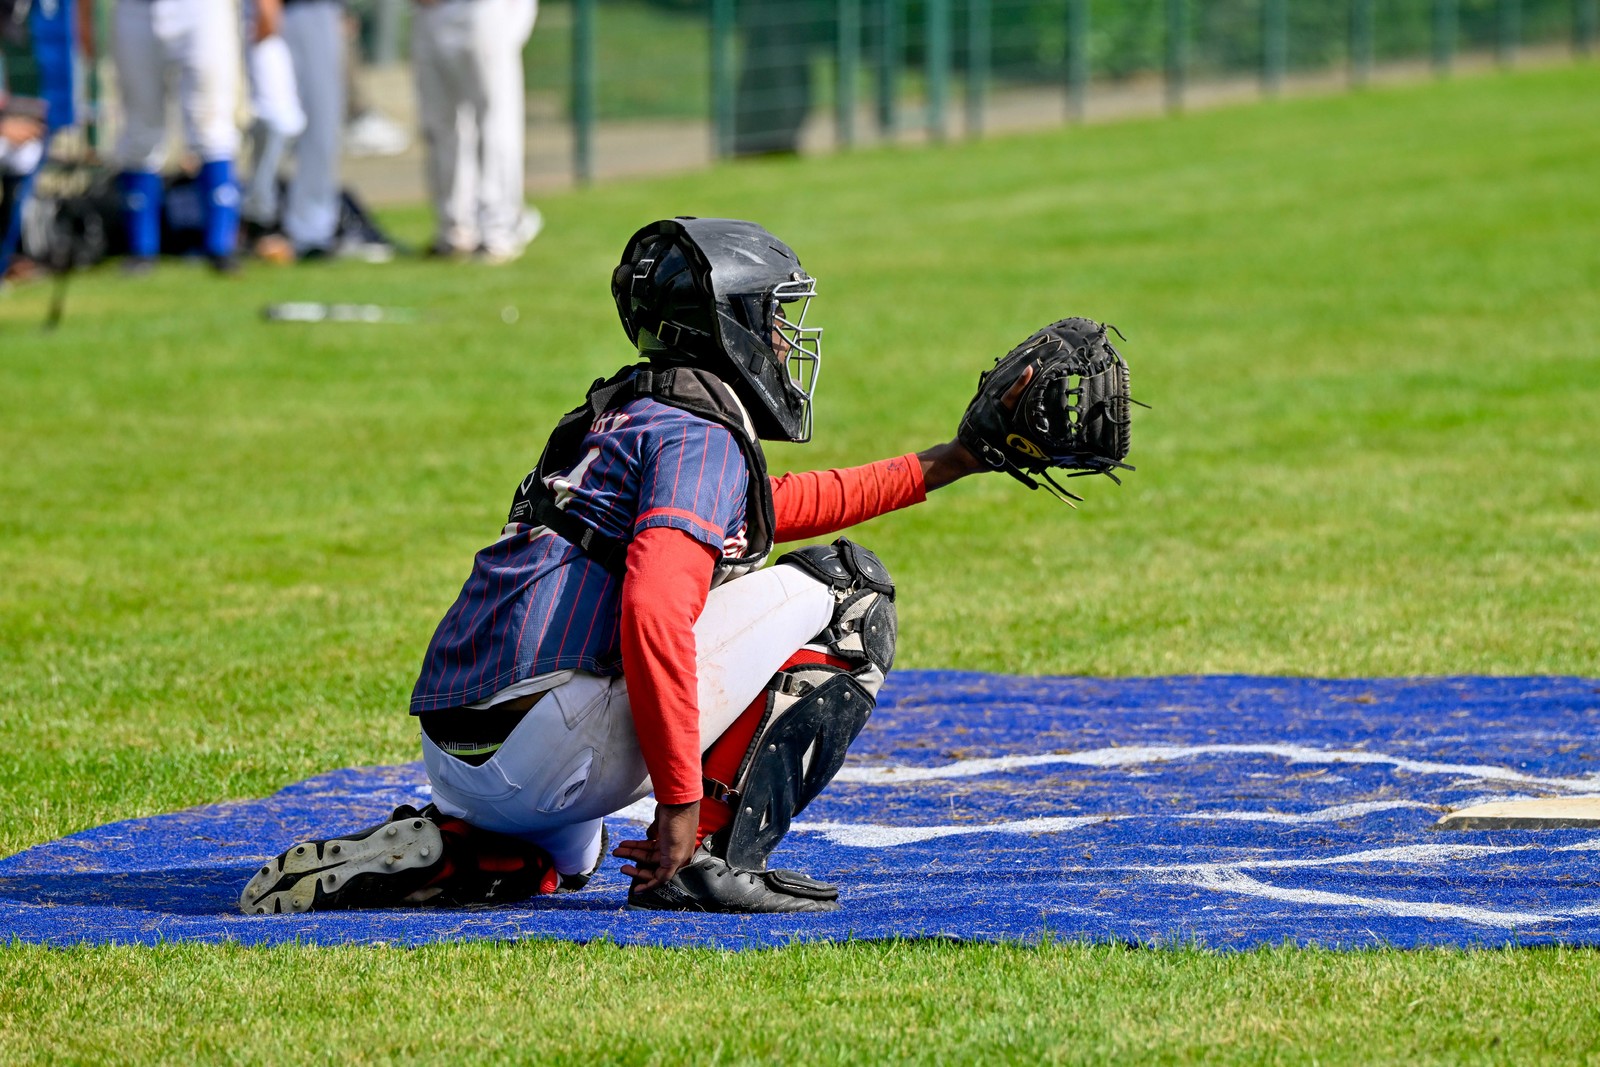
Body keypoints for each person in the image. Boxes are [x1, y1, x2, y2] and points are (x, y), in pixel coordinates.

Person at [240, 217, 1030, 915]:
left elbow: (774, 506)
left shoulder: (630, 408)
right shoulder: (699, 432)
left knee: (568, 854)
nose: (785, 341)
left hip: (466, 746)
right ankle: (709, 856)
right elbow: (653, 611)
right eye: (772, 316)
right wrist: (679, 806)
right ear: (726, 325)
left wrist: (950, 461)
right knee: (852, 592)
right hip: (546, 745)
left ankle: (460, 847)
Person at [111, 0, 242, 272]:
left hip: (199, 8)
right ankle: (141, 248)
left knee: (211, 122)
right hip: (135, 8)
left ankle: (221, 245)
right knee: (140, 126)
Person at [411, 0, 539, 264]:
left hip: (480, 9)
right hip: (427, 12)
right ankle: (455, 230)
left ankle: (499, 230)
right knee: (439, 125)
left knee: (495, 120)